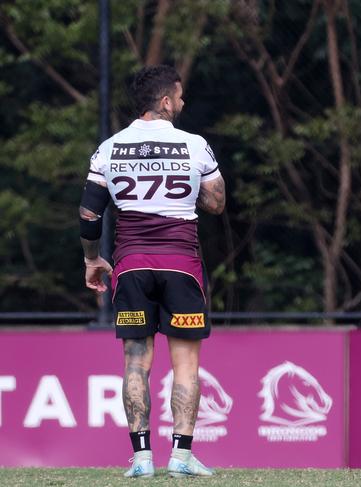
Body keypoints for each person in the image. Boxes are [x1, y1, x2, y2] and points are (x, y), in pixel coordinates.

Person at [79, 65, 225, 478]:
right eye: (178, 98)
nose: (182, 103)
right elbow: (216, 203)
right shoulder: (194, 145)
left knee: (135, 362)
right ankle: (181, 456)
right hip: (181, 264)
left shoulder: (109, 148)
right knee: (186, 365)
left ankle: (142, 458)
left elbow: (90, 213)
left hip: (131, 266)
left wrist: (93, 258)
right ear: (165, 102)